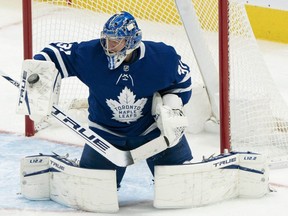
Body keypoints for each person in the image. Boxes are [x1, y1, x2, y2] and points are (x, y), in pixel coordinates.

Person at [33, 11, 193, 188]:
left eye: (115, 42)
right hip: (104, 135)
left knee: (180, 184)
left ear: (131, 41)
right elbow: (53, 54)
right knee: (93, 191)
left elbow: (183, 84)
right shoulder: (92, 55)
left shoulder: (162, 58)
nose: (108, 46)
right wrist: (37, 75)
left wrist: (171, 105)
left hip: (152, 132)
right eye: (107, 40)